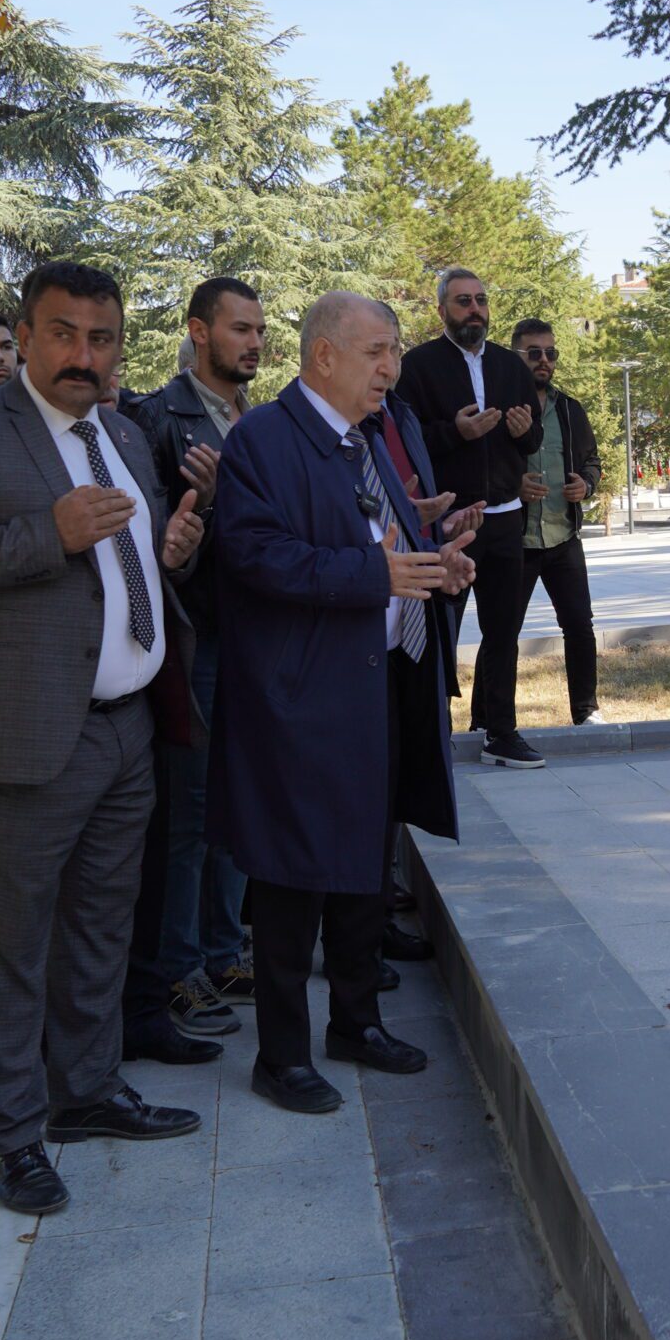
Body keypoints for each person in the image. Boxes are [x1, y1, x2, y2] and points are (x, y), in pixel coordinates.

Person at [0, 259, 209, 1215]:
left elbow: (127, 567)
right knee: (11, 943)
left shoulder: (123, 435)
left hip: (126, 729)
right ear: (23, 338)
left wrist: (171, 552)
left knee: (103, 927)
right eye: (63, 334)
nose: (83, 355)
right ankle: (13, 1134)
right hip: (24, 737)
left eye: (101, 338)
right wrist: (47, 534)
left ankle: (89, 1090)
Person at [214, 292, 474, 1115]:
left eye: (394, 352)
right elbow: (254, 558)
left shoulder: (363, 440)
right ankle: (281, 1054)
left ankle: (356, 1021)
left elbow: (388, 548)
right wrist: (379, 576)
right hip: (305, 698)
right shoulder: (262, 440)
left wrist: (437, 568)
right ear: (323, 355)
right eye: (377, 352)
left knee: (366, 864)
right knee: (294, 878)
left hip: (381, 681)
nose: (391, 369)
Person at [126, 276, 265, 1039]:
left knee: (236, 803)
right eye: (239, 328)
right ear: (198, 331)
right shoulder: (155, 418)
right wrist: (205, 506)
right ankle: (175, 967)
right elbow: (152, 546)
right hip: (193, 639)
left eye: (259, 331)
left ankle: (222, 947)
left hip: (255, 637)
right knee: (187, 811)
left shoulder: (264, 421)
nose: (252, 343)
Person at [398, 267, 546, 770]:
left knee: (503, 632)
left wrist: (525, 433)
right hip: (449, 524)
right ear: (442, 309)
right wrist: (454, 433)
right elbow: (406, 437)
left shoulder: (510, 365)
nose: (475, 309)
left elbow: (533, 440)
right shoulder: (417, 366)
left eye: (481, 300)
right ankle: (431, 735)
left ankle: (500, 732)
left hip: (504, 518)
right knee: (440, 631)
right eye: (463, 301)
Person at [510, 318, 609, 727]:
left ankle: (585, 712)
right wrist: (512, 488)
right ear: (516, 355)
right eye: (534, 353)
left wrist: (585, 485)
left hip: (564, 537)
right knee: (502, 634)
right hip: (515, 540)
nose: (544, 361)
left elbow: (593, 463)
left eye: (551, 353)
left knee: (579, 628)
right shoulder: (501, 409)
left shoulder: (569, 409)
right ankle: (485, 719)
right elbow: (480, 469)